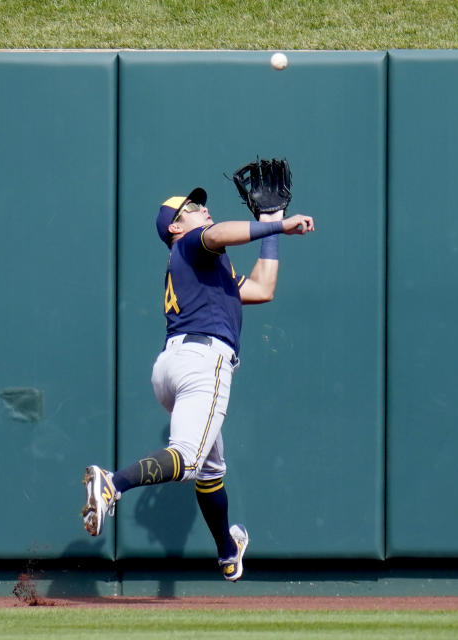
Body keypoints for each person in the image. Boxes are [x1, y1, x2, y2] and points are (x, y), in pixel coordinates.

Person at [82, 186, 315, 582]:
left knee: (210, 469)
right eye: (192, 207)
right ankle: (112, 484)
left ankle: (228, 550)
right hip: (202, 362)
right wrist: (279, 225)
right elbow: (219, 234)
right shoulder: (191, 244)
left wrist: (272, 227)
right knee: (188, 459)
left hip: (172, 367)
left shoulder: (208, 271)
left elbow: (263, 289)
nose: (203, 208)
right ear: (175, 225)